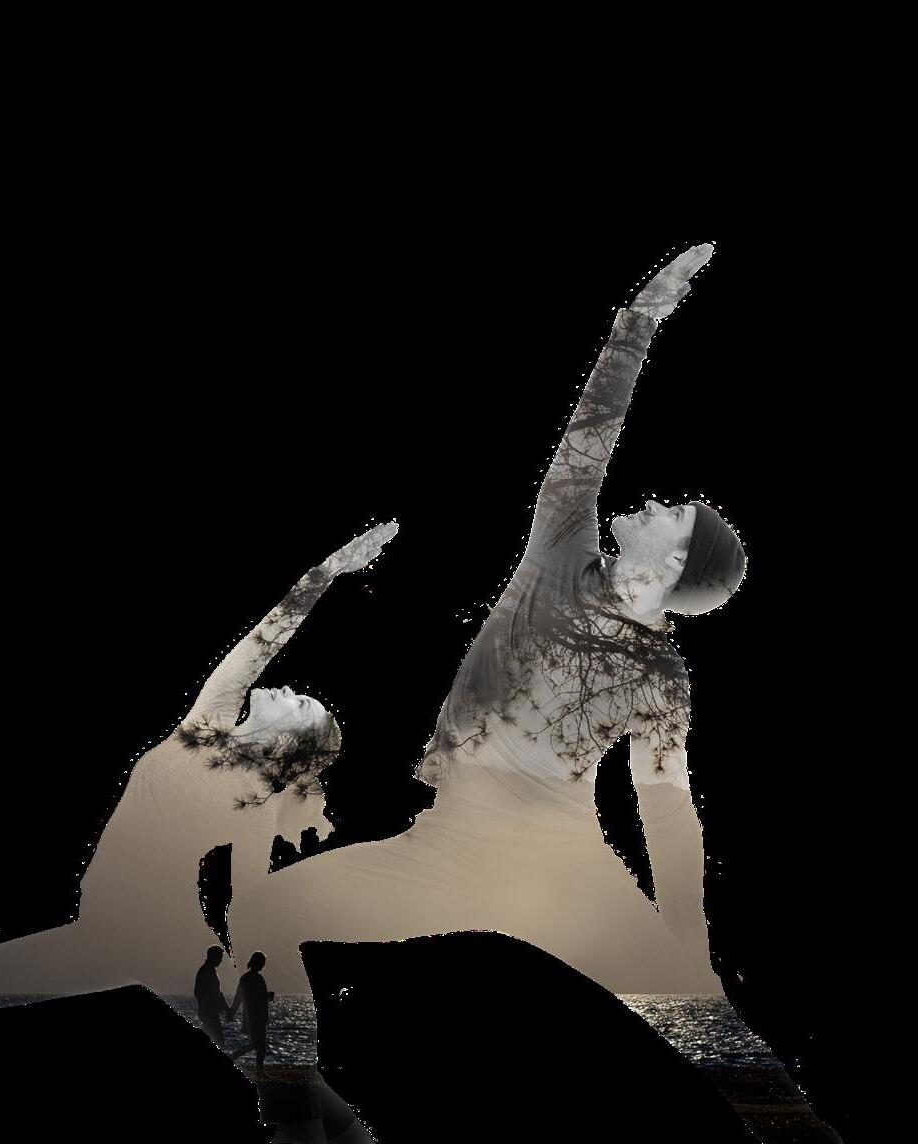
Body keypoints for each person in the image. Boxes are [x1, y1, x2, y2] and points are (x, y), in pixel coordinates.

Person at [224, 246, 788, 1137]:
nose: (647, 506)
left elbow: (666, 803)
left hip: (563, 871)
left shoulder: (660, 676)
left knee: (705, 1028)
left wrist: (685, 933)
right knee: (261, 916)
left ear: (674, 566)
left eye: (667, 516)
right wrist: (637, 322)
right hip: (443, 849)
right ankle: (316, 1126)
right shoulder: (561, 551)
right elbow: (588, 437)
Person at [0, 523, 395, 1144]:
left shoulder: (215, 744)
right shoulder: (228, 764)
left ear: (285, 743)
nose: (291, 689)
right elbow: (249, 901)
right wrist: (325, 574)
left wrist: (325, 574)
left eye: (302, 704)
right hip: (135, 941)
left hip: (157, 942)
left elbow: (249, 902)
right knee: (277, 1074)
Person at [227, 951, 276, 1080]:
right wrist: (268, 995)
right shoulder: (256, 979)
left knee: (257, 1044)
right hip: (256, 1016)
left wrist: (232, 1012)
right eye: (262, 963)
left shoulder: (245, 978)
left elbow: (239, 998)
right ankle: (258, 1071)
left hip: (254, 1016)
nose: (263, 965)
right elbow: (252, 997)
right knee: (259, 1045)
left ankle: (258, 1070)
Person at [194, 947, 233, 1047]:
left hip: (209, 1012)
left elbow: (216, 993)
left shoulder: (208, 970)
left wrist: (224, 1007)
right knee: (218, 1039)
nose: (221, 961)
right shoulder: (207, 971)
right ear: (213, 957)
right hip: (209, 1013)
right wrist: (224, 1008)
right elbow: (214, 993)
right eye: (219, 957)